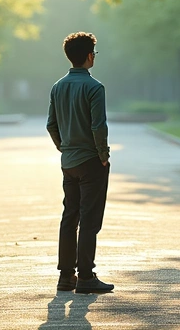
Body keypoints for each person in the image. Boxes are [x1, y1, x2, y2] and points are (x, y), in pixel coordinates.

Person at [47, 32, 114, 295]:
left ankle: (66, 276)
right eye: (93, 53)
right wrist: (103, 155)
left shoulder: (57, 87)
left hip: (69, 162)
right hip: (91, 161)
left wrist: (63, 147)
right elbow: (98, 126)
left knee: (69, 216)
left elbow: (51, 125)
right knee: (89, 220)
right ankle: (86, 276)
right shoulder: (95, 87)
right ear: (88, 56)